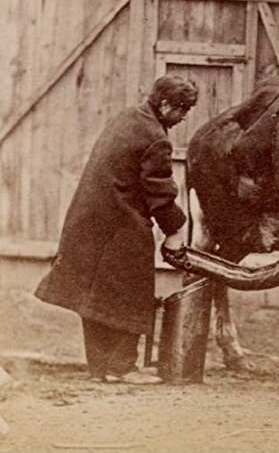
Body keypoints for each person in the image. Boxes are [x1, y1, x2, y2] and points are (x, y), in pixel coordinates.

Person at [35, 75, 199, 384]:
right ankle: (122, 367)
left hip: (88, 222)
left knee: (94, 296)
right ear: (164, 105)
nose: (184, 117)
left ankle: (100, 368)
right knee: (131, 290)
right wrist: (176, 230)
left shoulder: (128, 116)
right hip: (119, 224)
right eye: (182, 110)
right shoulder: (155, 138)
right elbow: (160, 194)